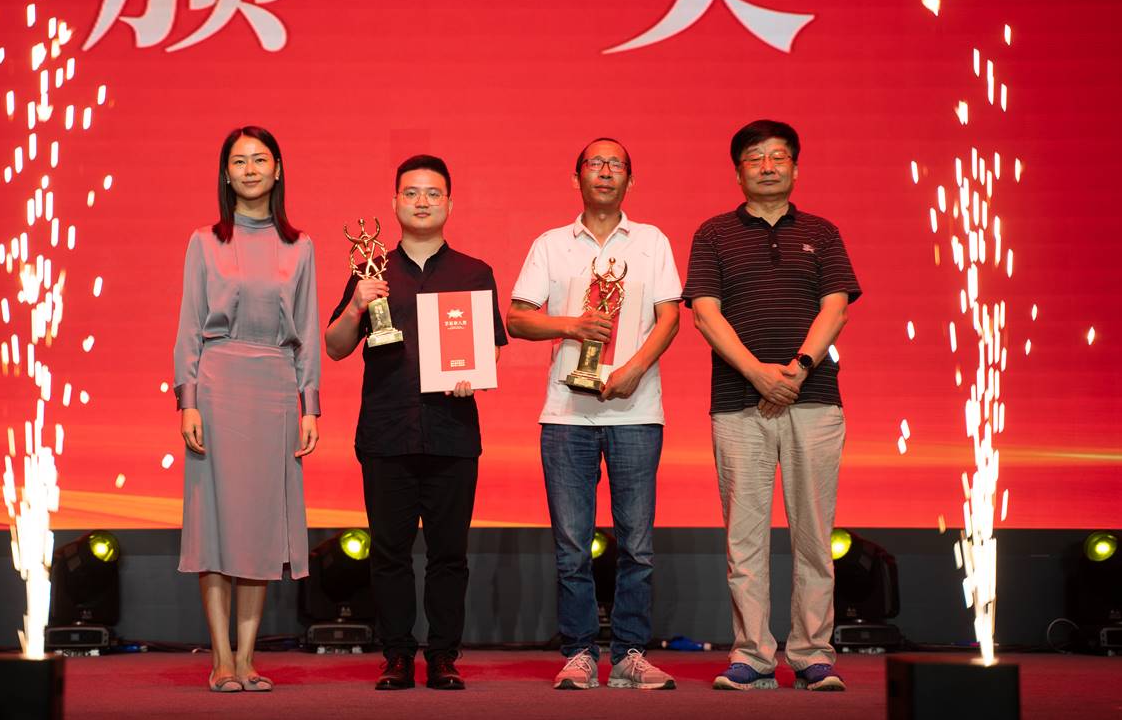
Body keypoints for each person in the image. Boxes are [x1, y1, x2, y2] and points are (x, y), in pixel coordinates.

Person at [680, 120, 860, 693]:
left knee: (814, 536)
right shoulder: (713, 233)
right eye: (754, 158)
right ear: (738, 171)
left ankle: (812, 655)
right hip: (738, 403)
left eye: (778, 157)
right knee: (745, 538)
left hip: (815, 401)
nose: (767, 166)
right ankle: (752, 655)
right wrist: (757, 373)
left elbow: (836, 308)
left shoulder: (822, 232)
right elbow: (705, 312)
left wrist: (799, 369)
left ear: (795, 168)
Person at [325, 154, 507, 691]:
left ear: (449, 202)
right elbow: (335, 347)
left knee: (450, 554)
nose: (422, 202)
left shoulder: (474, 272)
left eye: (432, 193)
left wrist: (474, 375)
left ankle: (444, 656)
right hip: (387, 432)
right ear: (395, 202)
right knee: (389, 554)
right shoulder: (370, 270)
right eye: (411, 193)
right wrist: (355, 306)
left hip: (453, 432)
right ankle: (398, 656)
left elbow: (491, 348)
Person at [506, 138, 681, 691]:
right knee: (571, 546)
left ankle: (630, 654)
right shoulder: (551, 244)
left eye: (616, 164)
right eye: (595, 163)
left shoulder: (652, 242)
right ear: (576, 177)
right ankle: (580, 652)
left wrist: (632, 370)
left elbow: (670, 318)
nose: (605, 172)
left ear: (631, 179)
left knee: (637, 546)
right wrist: (572, 325)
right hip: (565, 415)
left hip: (637, 411)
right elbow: (517, 319)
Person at [173, 126, 321, 694]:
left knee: (259, 527)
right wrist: (187, 400)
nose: (251, 169)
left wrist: (310, 407)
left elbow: (307, 330)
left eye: (261, 159)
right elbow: (189, 326)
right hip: (216, 386)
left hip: (275, 389)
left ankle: (248, 657)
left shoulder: (300, 246)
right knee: (215, 524)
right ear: (226, 173)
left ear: (278, 169)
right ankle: (220, 660)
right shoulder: (204, 242)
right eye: (240, 161)